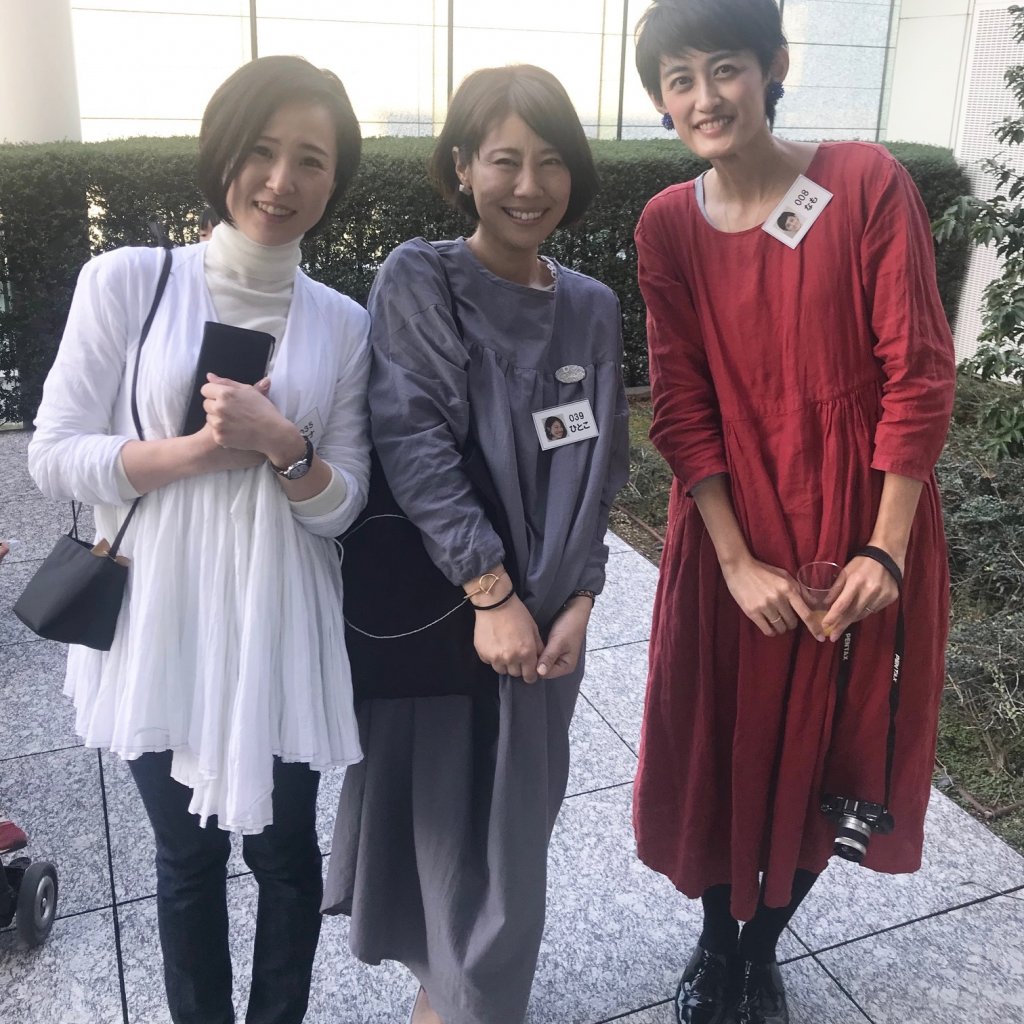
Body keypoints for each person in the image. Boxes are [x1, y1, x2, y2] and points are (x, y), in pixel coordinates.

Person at [27, 55, 370, 1024]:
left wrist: (285, 445)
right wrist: (198, 451)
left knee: (285, 856)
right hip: (161, 621)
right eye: (261, 150)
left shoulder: (344, 324)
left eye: (311, 160)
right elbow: (52, 456)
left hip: (282, 629)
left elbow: (343, 506)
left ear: (334, 181)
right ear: (222, 154)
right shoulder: (128, 282)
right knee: (185, 859)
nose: (281, 180)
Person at [630, 2, 956, 1023]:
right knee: (723, 743)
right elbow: (680, 406)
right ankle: (714, 943)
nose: (703, 97)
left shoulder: (864, 182)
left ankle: (759, 950)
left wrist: (885, 551)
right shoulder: (667, 225)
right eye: (678, 79)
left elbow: (917, 371)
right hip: (732, 532)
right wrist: (733, 562)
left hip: (858, 523)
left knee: (833, 748)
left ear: (773, 66)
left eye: (723, 67)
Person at [322, 64, 630, 1024]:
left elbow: (603, 466)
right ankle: (456, 1003)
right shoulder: (423, 277)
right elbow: (412, 440)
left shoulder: (591, 305)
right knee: (445, 842)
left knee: (515, 836)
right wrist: (491, 596)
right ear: (462, 167)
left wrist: (581, 599)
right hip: (453, 612)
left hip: (549, 629)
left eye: (551, 161)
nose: (529, 185)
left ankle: (454, 1001)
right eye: (504, 160)